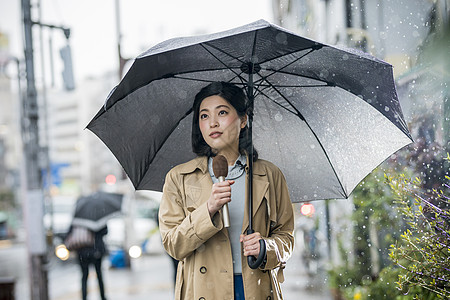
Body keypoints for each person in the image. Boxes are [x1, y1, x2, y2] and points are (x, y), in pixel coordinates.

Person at [158, 81, 294, 300]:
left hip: (255, 289)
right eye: (204, 116)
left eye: (222, 112)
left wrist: (265, 247)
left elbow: (286, 237)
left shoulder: (269, 174)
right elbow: (173, 244)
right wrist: (209, 209)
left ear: (243, 120)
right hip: (205, 291)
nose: (212, 123)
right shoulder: (178, 178)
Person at [73, 226, 108, 300]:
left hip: (82, 252)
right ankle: (102, 296)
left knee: (84, 276)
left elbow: (71, 234)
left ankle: (84, 297)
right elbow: (105, 231)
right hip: (96, 251)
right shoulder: (98, 219)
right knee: (99, 275)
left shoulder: (78, 220)